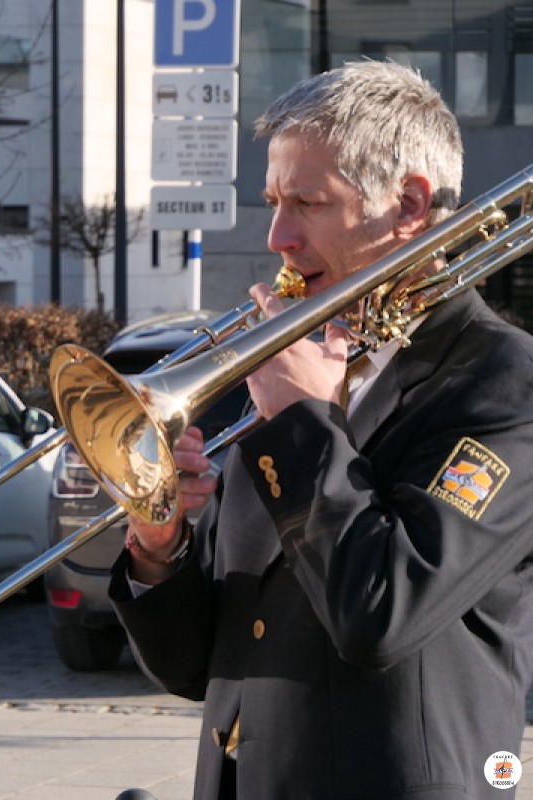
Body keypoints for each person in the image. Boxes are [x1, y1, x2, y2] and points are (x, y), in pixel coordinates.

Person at [109, 61, 533, 799]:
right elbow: (198, 665)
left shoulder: (503, 382)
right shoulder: (296, 371)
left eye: (306, 203)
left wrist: (303, 423)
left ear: (407, 203)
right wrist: (160, 542)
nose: (276, 236)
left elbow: (383, 615)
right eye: (274, 201)